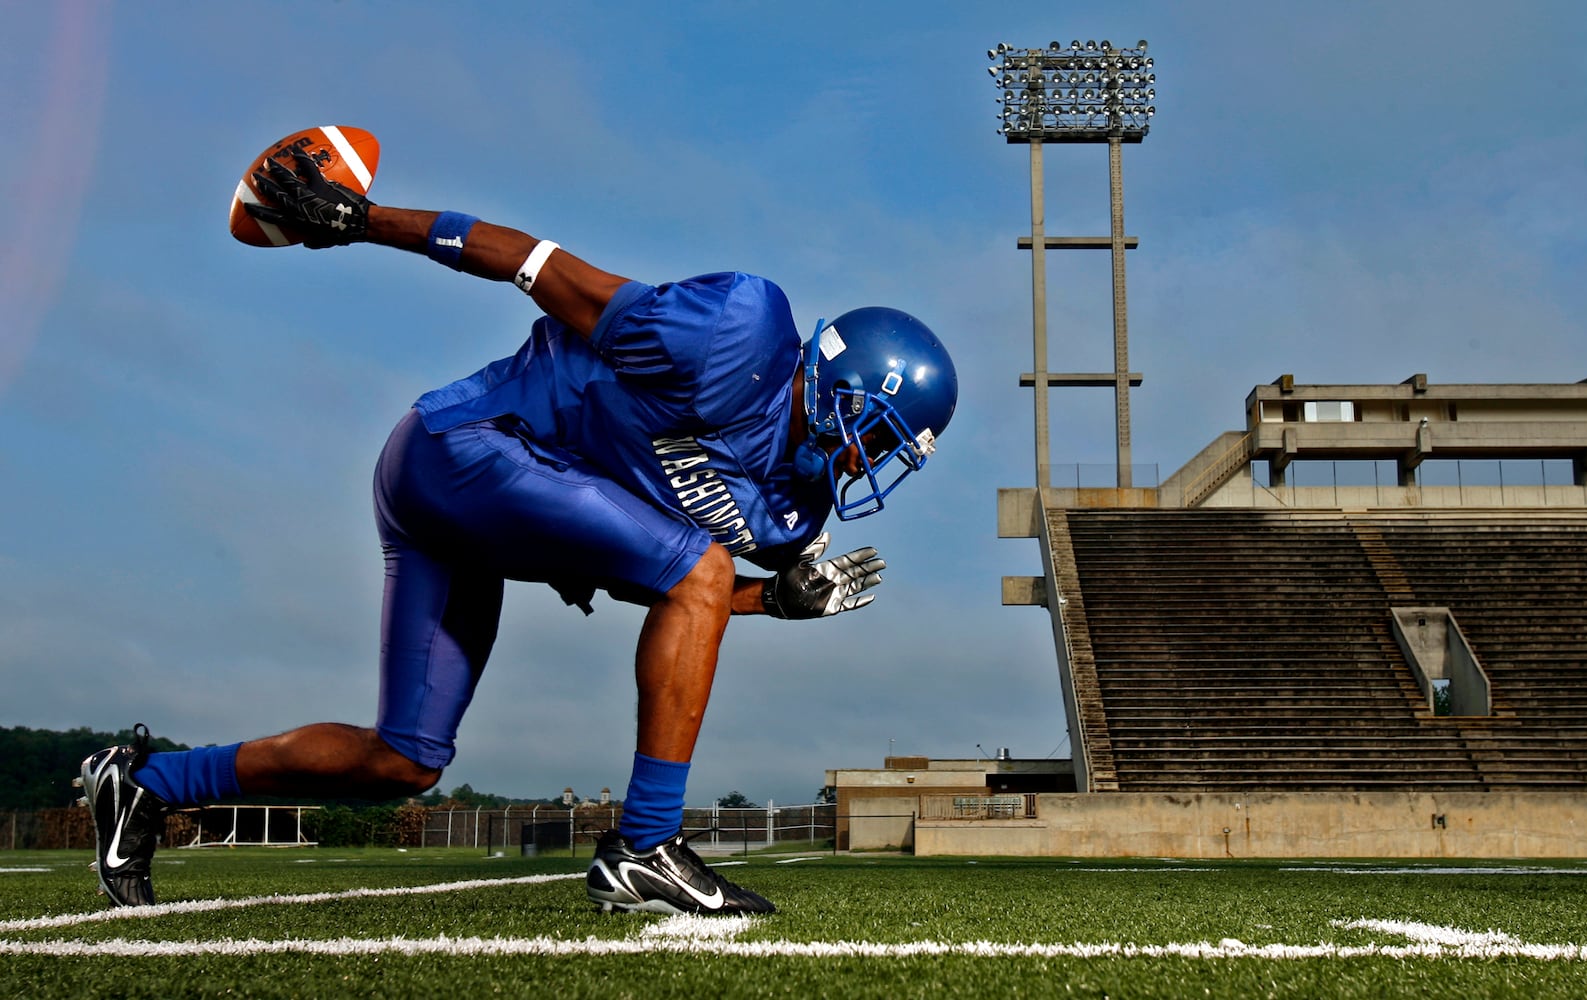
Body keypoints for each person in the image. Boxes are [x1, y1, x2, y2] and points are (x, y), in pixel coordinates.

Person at [76, 146, 958, 915]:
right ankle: (647, 847)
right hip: (462, 447)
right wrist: (364, 219)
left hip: (487, 526)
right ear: (845, 385)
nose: (865, 463)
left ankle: (148, 784)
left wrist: (780, 602)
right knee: (697, 568)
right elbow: (538, 264)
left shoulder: (789, 510)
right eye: (877, 436)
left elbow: (659, 583)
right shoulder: (739, 333)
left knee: (406, 761)